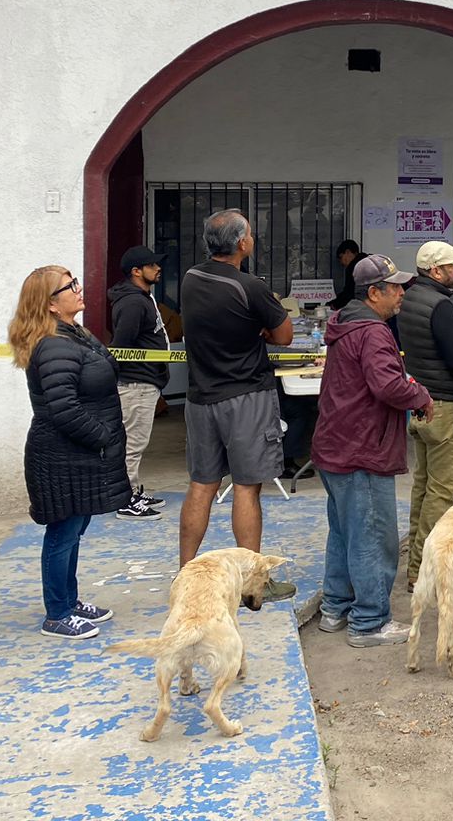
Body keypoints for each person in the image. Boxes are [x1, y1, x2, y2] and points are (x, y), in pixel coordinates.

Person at [310, 254, 430, 646]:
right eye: (394, 287)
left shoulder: (344, 325)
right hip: (362, 448)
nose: (401, 294)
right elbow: (389, 387)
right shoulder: (374, 332)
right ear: (373, 293)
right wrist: (420, 395)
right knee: (374, 536)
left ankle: (336, 608)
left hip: (335, 445)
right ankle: (370, 621)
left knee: (344, 532)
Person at [8, 266, 131, 640]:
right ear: (49, 304)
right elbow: (63, 408)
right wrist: (103, 437)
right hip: (60, 456)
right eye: (70, 286)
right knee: (63, 532)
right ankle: (57, 613)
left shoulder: (72, 334)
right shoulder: (53, 345)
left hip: (77, 455)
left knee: (75, 527)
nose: (80, 288)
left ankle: (70, 600)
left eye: (77, 281)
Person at [178, 210, 296, 600]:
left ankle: (186, 575)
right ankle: (253, 584)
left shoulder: (191, 279)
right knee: (247, 487)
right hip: (246, 396)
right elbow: (284, 335)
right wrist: (258, 327)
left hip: (200, 398)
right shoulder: (251, 287)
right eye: (251, 234)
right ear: (242, 243)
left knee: (201, 485)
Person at [398, 239, 453, 588]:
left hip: (423, 403)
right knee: (443, 490)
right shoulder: (441, 306)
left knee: (423, 485)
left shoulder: (410, 299)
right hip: (448, 405)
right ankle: (421, 571)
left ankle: (414, 561)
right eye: (451, 267)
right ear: (435, 271)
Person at [107, 245, 169, 519]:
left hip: (144, 382)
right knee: (132, 443)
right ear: (136, 271)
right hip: (136, 384)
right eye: (152, 265)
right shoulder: (132, 303)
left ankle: (130, 491)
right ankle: (125, 500)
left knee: (135, 442)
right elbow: (121, 346)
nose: (158, 268)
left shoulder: (141, 297)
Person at [326, 238, 366, 309]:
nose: (341, 262)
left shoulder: (353, 266)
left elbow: (349, 293)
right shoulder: (370, 262)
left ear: (348, 252)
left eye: (341, 257)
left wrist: (334, 304)